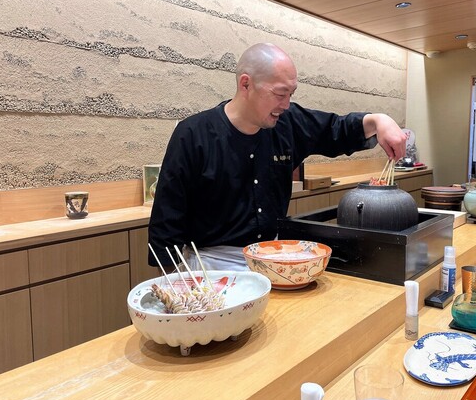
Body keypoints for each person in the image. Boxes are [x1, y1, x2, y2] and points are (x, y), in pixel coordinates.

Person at [148, 43, 407, 270]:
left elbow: (335, 129)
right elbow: (167, 217)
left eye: (290, 95)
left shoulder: (288, 123)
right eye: (280, 94)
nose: (285, 105)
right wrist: (173, 282)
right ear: (246, 84)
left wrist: (378, 121)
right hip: (212, 267)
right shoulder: (193, 133)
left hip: (273, 259)